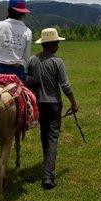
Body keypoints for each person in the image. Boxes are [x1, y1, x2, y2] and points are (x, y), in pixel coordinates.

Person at [27, 28, 78, 190]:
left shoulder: (32, 61)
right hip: (54, 103)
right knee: (53, 136)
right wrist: (74, 103)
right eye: (57, 43)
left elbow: (27, 82)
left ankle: (47, 165)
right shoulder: (58, 62)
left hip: (38, 104)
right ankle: (48, 176)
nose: (58, 46)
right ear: (53, 44)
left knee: (44, 133)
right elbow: (65, 86)